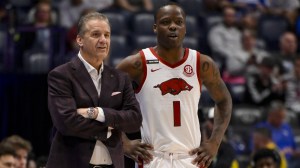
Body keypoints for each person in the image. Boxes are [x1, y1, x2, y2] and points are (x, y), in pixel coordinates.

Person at [117, 3, 232, 168]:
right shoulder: (136, 63)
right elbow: (105, 100)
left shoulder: (202, 63)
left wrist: (214, 142)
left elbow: (224, 100)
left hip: (191, 158)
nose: (173, 27)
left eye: (179, 22)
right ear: (155, 28)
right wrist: (124, 142)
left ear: (185, 28)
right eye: (166, 22)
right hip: (153, 158)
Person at [46, 12, 142, 168]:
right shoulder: (61, 75)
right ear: (79, 40)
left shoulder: (121, 77)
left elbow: (134, 120)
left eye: (107, 35)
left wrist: (97, 113)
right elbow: (66, 123)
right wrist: (111, 128)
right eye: (96, 34)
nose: (103, 40)